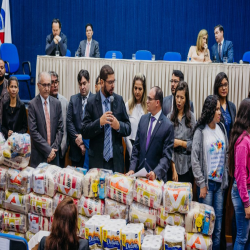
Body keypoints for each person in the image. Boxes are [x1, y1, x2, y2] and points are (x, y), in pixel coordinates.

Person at [191, 95, 228, 250]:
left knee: (218, 226)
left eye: (220, 109)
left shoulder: (222, 128)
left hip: (220, 185)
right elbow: (195, 160)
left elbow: (226, 154)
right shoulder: (201, 131)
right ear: (210, 110)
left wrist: (225, 174)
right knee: (207, 227)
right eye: (217, 109)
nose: (220, 112)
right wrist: (201, 184)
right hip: (206, 186)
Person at [82, 65, 131, 173]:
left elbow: (128, 128)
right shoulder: (91, 102)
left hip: (116, 162)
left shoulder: (119, 100)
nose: (113, 85)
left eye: (114, 81)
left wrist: (119, 126)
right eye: (110, 82)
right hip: (97, 162)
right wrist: (99, 122)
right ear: (102, 82)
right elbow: (84, 131)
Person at [126, 86, 174, 182]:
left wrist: (156, 172)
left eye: (149, 99)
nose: (146, 101)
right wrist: (132, 169)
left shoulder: (168, 126)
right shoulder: (143, 120)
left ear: (157, 102)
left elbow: (166, 157)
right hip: (140, 177)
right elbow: (136, 148)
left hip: (156, 179)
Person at [213, 72, 237, 249]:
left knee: (228, 204)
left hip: (230, 159)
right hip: (216, 159)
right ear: (216, 87)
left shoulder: (232, 107)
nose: (224, 87)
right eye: (221, 84)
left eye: (226, 84)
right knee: (216, 205)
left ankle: (224, 241)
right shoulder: (213, 105)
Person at [28, 72, 63, 167]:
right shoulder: (32, 105)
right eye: (44, 85)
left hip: (54, 157)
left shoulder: (57, 104)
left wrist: (53, 150)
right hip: (39, 157)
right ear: (38, 85)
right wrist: (48, 150)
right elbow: (33, 132)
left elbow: (60, 129)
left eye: (49, 84)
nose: (47, 88)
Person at [229, 98, 250, 250]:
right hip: (243, 193)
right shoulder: (243, 141)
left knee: (245, 236)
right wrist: (247, 203)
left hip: (244, 192)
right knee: (242, 237)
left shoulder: (245, 137)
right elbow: (241, 176)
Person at [167, 82, 196, 183]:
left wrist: (180, 143)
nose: (178, 101)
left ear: (186, 99)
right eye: (177, 97)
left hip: (187, 166)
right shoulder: (169, 117)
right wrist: (173, 169)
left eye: (182, 98)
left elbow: (195, 144)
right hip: (172, 166)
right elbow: (168, 146)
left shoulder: (192, 118)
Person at [67, 70, 93, 168]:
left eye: (84, 83)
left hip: (90, 149)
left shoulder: (95, 100)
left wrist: (84, 138)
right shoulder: (73, 100)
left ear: (89, 82)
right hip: (76, 150)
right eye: (80, 84)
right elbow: (69, 122)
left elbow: (95, 124)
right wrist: (79, 141)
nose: (82, 87)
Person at [124, 73, 147, 172]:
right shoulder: (127, 105)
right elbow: (125, 131)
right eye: (135, 88)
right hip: (130, 146)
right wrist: (130, 150)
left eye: (140, 89)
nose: (137, 92)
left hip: (143, 149)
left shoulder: (148, 107)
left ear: (144, 90)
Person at [49, 71, 68, 167]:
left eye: (56, 82)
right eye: (52, 82)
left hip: (61, 148)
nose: (55, 85)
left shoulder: (64, 101)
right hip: (48, 148)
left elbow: (67, 125)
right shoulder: (45, 102)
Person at [0, 60, 9, 125]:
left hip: (6, 124)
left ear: (5, 70)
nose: (0, 70)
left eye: (2, 67)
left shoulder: (10, 86)